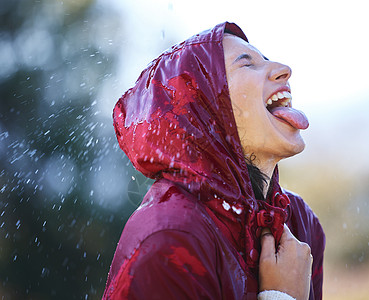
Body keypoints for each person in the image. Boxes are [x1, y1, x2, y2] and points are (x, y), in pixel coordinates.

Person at [103, 22, 325, 300]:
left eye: (266, 60)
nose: (283, 69)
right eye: (247, 65)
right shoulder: (168, 239)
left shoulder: (301, 224)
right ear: (205, 110)